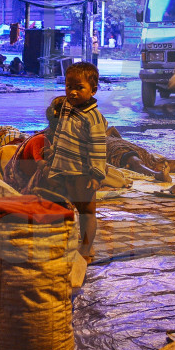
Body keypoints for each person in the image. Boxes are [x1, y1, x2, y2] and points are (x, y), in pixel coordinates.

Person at [40, 61, 107, 260]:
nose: (73, 92)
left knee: (87, 212)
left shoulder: (93, 118)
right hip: (63, 168)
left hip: (82, 173)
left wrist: (96, 175)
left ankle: (86, 249)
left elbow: (98, 149)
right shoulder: (67, 108)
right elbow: (59, 131)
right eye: (69, 87)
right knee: (65, 207)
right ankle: (65, 242)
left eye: (79, 88)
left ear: (93, 90)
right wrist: (52, 153)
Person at [106, 127, 175, 183]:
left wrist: (120, 141)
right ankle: (158, 175)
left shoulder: (103, 132)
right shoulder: (97, 138)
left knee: (143, 159)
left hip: (126, 146)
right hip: (119, 152)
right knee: (135, 161)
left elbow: (112, 129)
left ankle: (161, 169)